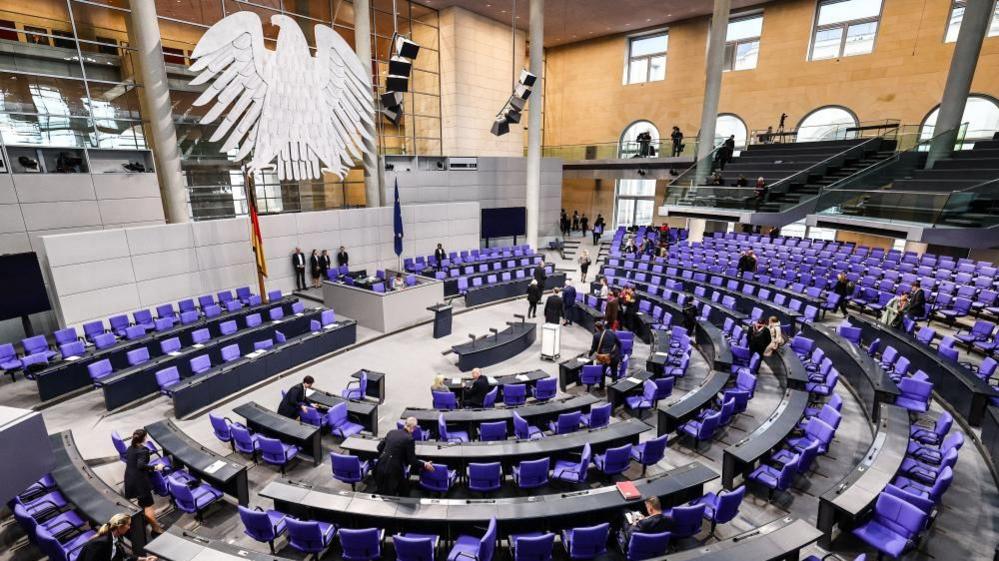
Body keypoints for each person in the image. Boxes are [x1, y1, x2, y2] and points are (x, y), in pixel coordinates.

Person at [122, 430, 166, 537]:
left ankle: (145, 520)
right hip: (140, 482)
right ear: (144, 438)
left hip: (129, 478)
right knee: (148, 506)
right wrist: (156, 467)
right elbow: (141, 465)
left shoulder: (130, 448)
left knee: (142, 502)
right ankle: (156, 529)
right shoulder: (143, 450)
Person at [374, 417, 433, 495]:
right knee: (389, 497)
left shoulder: (391, 432)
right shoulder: (409, 439)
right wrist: (425, 464)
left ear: (405, 424)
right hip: (393, 472)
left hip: (379, 466)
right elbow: (411, 461)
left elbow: (379, 447)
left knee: (402, 489)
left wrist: (389, 454)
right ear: (414, 428)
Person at [78, 513, 158, 561]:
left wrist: (143, 559)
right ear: (120, 527)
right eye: (128, 525)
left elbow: (122, 556)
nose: (129, 527)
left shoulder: (114, 537)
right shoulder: (101, 543)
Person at [589, 322, 620, 389]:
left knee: (602, 373)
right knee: (614, 373)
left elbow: (593, 348)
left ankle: (601, 387)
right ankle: (614, 389)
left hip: (604, 358)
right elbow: (619, 343)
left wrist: (589, 356)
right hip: (614, 356)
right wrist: (619, 355)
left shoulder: (596, 335)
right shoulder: (612, 332)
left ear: (596, 328)